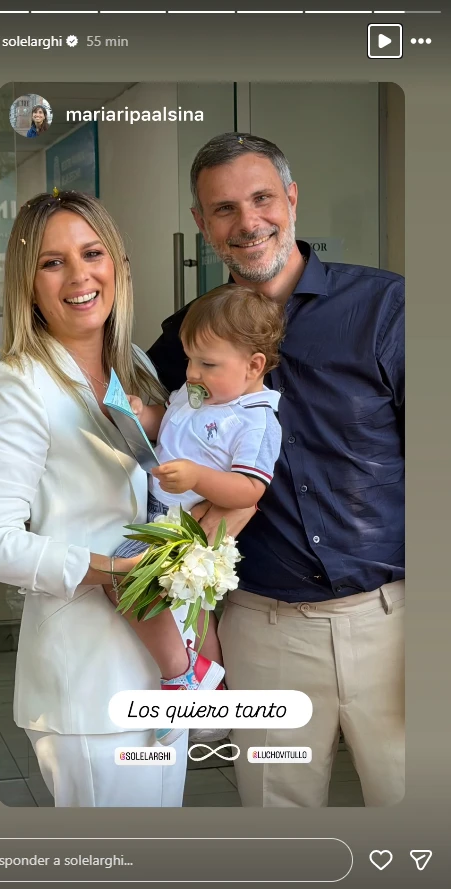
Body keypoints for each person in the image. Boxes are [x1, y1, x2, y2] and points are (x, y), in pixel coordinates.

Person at [147, 132, 405, 808]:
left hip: (391, 618)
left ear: (290, 198)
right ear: (201, 225)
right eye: (223, 209)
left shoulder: (387, 309)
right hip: (263, 630)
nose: (247, 222)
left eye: (261, 198)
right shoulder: (181, 343)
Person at [0, 189, 191, 807]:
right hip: (86, 679)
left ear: (118, 266)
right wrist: (116, 572)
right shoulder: (15, 383)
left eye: (92, 253)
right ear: (28, 284)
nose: (79, 276)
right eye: (53, 262)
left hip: (162, 674)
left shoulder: (132, 365)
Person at [109, 284, 284, 744]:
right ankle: (209, 679)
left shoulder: (255, 420)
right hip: (160, 512)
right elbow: (167, 427)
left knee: (122, 579)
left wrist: (196, 478)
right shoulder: (196, 393)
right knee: (198, 613)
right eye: (189, 360)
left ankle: (181, 674)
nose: (191, 373)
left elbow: (250, 488)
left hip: (183, 528)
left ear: (254, 366)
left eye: (207, 364)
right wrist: (141, 414)